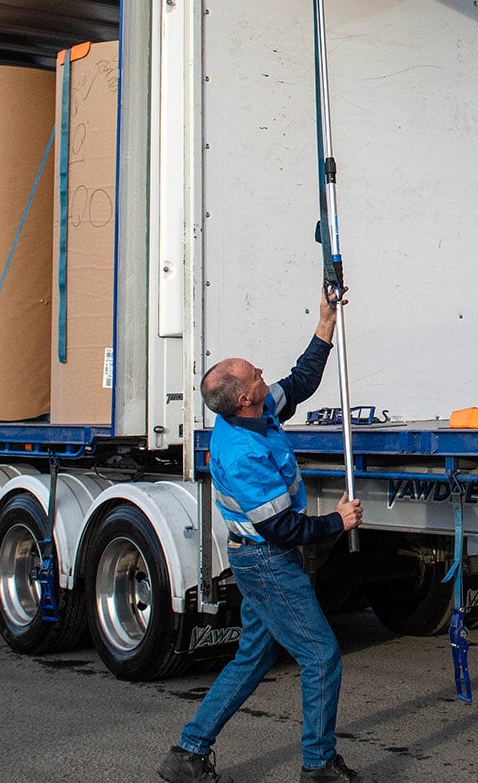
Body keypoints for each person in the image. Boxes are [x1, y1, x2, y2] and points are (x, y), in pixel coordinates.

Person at [158, 287, 365, 783]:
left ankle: (187, 753)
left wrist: (325, 325)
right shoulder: (240, 454)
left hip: (261, 558)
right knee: (320, 657)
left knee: (253, 655)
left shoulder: (254, 410)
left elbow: (300, 382)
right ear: (245, 398)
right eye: (256, 375)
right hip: (266, 560)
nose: (263, 376)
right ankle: (318, 766)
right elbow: (283, 528)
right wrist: (337, 521)